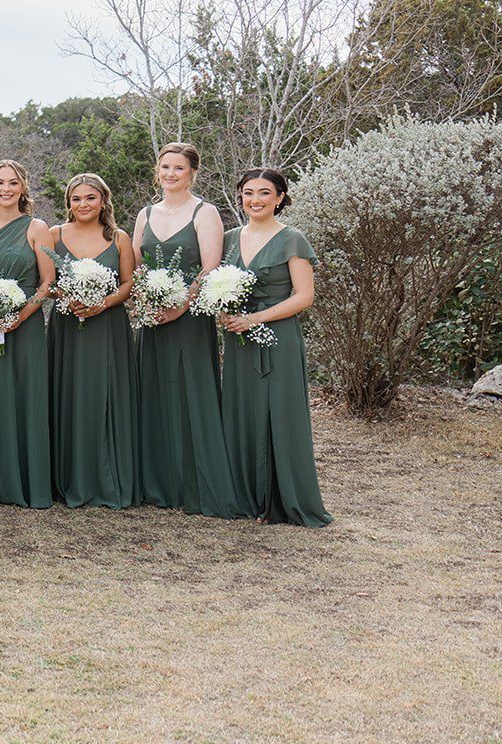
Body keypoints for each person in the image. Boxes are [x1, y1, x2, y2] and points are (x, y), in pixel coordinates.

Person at [130, 143, 242, 517]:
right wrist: (148, 301)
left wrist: (181, 304)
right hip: (153, 319)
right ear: (157, 171)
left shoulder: (204, 212)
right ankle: (156, 483)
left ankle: (193, 483)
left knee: (191, 393)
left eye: (179, 168)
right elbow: (134, 266)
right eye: (165, 167)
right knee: (153, 392)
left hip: (191, 318)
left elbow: (210, 266)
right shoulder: (145, 213)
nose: (171, 174)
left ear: (192, 172)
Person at [220, 168, 332, 527]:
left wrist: (256, 319)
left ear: (280, 197)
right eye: (249, 192)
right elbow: (217, 282)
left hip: (278, 338)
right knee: (241, 411)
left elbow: (305, 297)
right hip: (238, 339)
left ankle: (283, 501)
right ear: (240, 196)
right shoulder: (229, 239)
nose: (256, 199)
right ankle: (245, 497)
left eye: (265, 193)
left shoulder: (292, 239)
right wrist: (224, 311)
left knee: (279, 414)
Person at [0, 159, 54, 508]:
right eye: (0, 182)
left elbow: (48, 281)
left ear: (23, 188)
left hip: (26, 324)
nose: (6, 189)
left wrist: (20, 316)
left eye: (13, 183)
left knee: (26, 395)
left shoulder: (37, 227)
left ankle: (29, 482)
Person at [47, 173, 137, 509]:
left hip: (108, 327)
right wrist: (66, 294)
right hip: (67, 326)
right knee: (69, 394)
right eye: (76, 199)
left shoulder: (118, 238)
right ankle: (68, 477)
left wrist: (103, 302)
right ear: (68, 203)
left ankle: (108, 478)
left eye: (90, 198)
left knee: (105, 395)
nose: (83, 205)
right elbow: (47, 282)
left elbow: (128, 284)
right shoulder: (54, 235)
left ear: (103, 200)